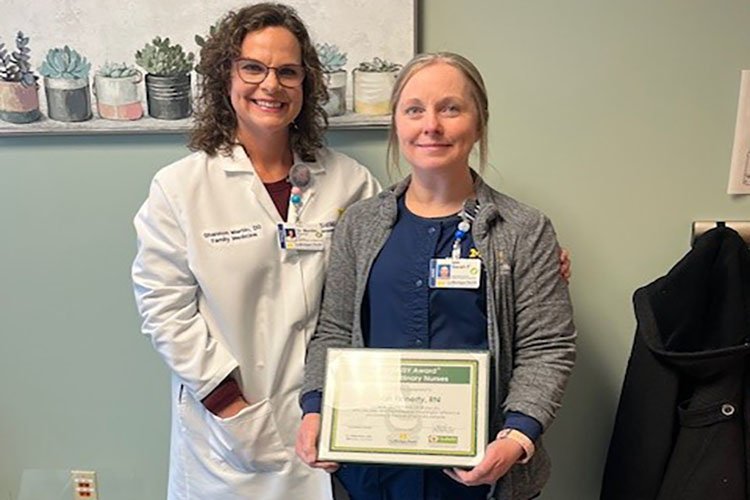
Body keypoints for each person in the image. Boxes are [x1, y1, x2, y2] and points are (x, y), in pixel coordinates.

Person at [296, 52, 577, 500]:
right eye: (414, 110)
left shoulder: (524, 230)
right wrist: (315, 408)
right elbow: (333, 331)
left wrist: (517, 437)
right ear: (397, 124)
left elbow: (547, 346)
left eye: (450, 108)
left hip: (483, 474)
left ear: (479, 122)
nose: (431, 125)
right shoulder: (360, 225)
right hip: (373, 474)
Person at [130, 4, 381, 500]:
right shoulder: (181, 189)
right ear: (227, 76)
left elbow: (398, 262)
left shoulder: (351, 183)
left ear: (306, 84)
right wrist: (229, 405)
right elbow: (164, 310)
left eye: (288, 71)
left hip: (326, 422)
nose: (271, 85)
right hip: (227, 432)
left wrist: (512, 254)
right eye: (253, 68)